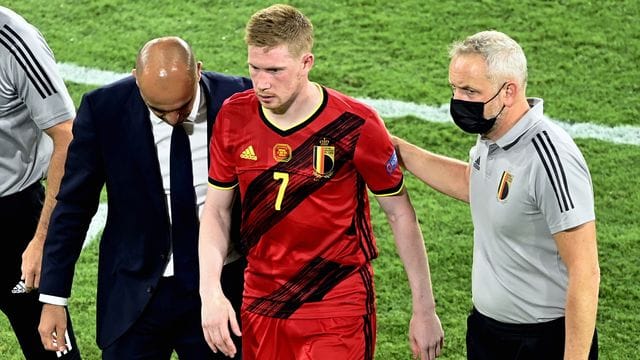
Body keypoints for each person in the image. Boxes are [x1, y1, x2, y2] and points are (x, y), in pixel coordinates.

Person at [198, 4, 444, 360]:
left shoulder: (354, 124)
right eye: (254, 68)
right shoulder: (234, 116)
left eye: (275, 70)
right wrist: (211, 291)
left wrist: (424, 310)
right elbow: (217, 212)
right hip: (262, 301)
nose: (262, 83)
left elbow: (400, 215)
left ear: (306, 63)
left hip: (335, 301)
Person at [37, 36, 251, 359]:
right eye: (160, 111)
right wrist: (54, 296)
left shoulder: (239, 100)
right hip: (135, 295)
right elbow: (74, 205)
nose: (174, 119)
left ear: (199, 72)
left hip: (218, 291)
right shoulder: (104, 110)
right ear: (137, 81)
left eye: (183, 106)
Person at [393, 30, 600, 359]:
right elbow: (474, 183)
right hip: (488, 333)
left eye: (470, 91)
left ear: (509, 92)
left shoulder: (549, 158)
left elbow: (585, 270)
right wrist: (400, 151)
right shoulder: (492, 136)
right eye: (455, 88)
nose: (459, 100)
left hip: (541, 341)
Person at [0, 6, 82, 359]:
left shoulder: (14, 40)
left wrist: (42, 239)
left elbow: (67, 135)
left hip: (11, 222)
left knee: (50, 350)